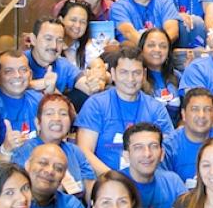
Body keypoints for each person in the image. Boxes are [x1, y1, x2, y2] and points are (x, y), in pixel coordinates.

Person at [75, 46, 175, 175]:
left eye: (136, 73)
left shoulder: (156, 108)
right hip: (106, 181)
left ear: (144, 74)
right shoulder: (96, 105)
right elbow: (84, 150)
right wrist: (115, 180)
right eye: (124, 72)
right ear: (113, 73)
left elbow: (164, 152)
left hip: (147, 180)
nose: (130, 79)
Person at [10, 93, 96, 202]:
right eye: (49, 113)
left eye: (63, 114)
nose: (57, 118)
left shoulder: (75, 151)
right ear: (38, 123)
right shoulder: (24, 151)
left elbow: (90, 187)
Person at [118, 122, 187, 208]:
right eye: (138, 147)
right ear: (126, 155)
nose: (147, 154)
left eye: (153, 146)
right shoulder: (114, 186)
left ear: (162, 154)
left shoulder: (173, 183)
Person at [26, 16, 104, 112]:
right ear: (33, 39)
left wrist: (94, 85)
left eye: (59, 41)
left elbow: (86, 85)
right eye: (48, 39)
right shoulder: (20, 61)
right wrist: (40, 84)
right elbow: (7, 84)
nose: (54, 46)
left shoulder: (63, 65)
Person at [0, 51, 44, 162]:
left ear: (30, 75)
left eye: (23, 70)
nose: (17, 76)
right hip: (7, 169)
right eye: (9, 71)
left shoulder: (38, 99)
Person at [140, 28, 182, 124]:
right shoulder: (135, 77)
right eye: (151, 45)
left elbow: (186, 112)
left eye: (163, 46)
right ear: (141, 49)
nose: (157, 50)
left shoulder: (177, 76)